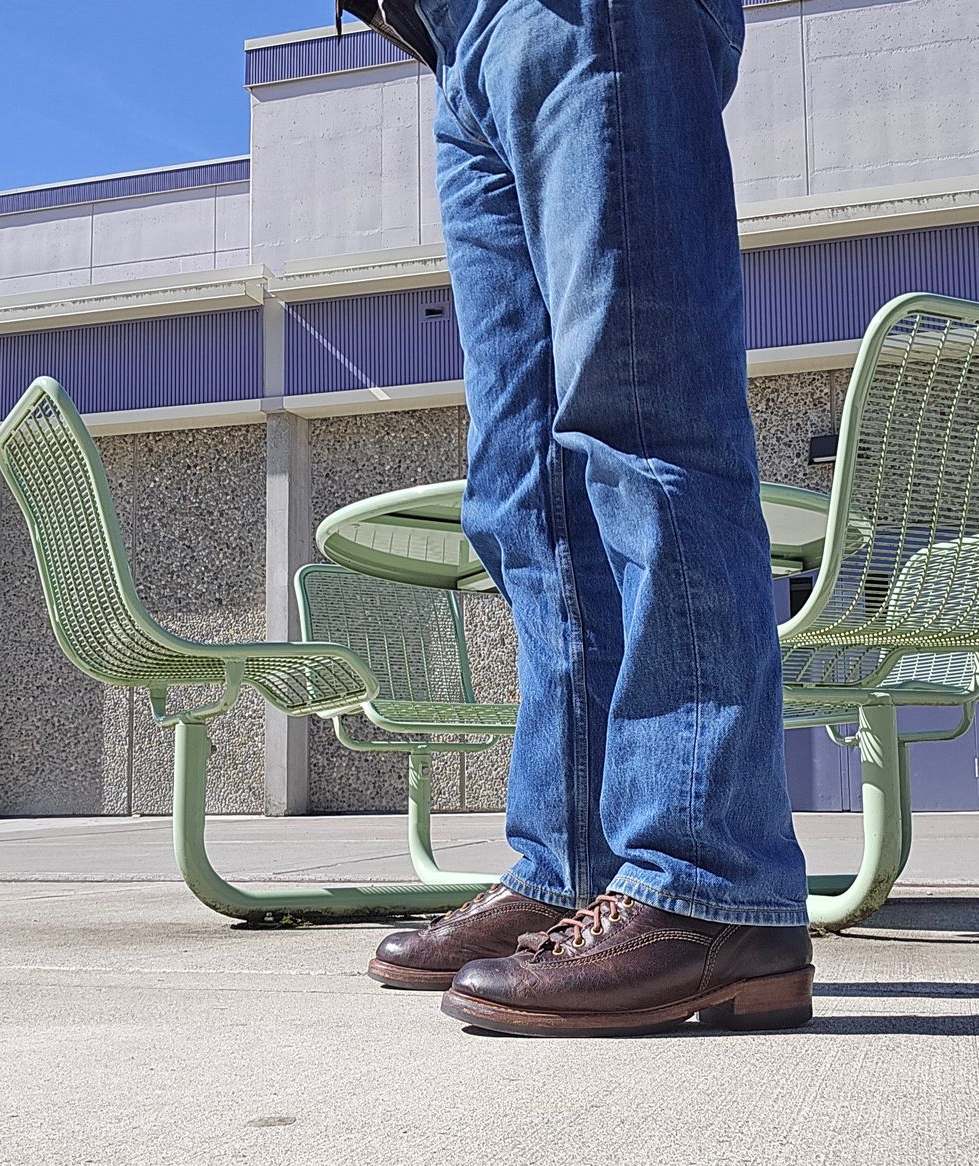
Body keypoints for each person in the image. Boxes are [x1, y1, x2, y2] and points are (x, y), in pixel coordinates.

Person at [344, 0, 812, 1037]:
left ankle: (709, 884)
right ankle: (571, 869)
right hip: (452, 42)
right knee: (523, 488)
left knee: (646, 415)